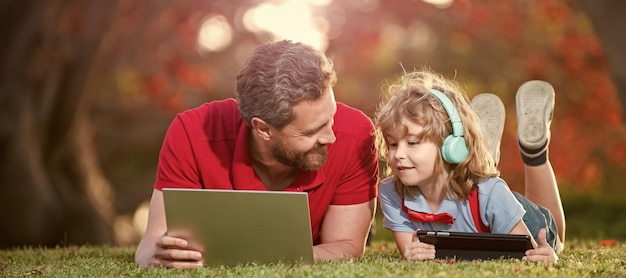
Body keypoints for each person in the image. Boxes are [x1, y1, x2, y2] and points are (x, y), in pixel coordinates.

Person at [135, 40, 379, 268]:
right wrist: (157, 256)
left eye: (331, 118)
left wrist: (268, 256)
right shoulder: (191, 133)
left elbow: (346, 246)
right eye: (311, 132)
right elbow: (150, 246)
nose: (330, 137)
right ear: (263, 129)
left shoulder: (356, 134)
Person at [376, 69, 565, 263]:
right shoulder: (391, 191)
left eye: (413, 143)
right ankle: (486, 158)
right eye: (392, 144)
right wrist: (414, 254)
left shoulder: (491, 193)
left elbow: (529, 254)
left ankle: (534, 154)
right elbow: (411, 251)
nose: (398, 154)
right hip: (485, 208)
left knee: (555, 237)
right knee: (487, 191)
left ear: (451, 145)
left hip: (516, 217)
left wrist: (546, 255)